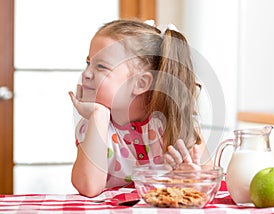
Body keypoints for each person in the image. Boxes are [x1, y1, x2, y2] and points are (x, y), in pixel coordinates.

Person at [69, 19, 211, 197]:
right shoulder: (94, 126)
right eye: (88, 63)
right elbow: (88, 187)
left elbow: (209, 176)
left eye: (100, 66)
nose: (86, 73)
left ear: (141, 83)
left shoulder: (173, 122)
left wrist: (191, 177)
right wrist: (99, 114)